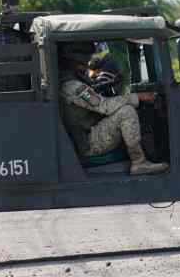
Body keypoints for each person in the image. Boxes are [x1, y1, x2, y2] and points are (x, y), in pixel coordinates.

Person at [57, 42, 168, 176]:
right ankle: (139, 162)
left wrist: (110, 83)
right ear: (76, 60)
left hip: (90, 130)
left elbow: (93, 95)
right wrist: (139, 97)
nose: (90, 61)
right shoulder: (72, 86)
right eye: (87, 58)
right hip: (89, 143)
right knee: (126, 112)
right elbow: (105, 106)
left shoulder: (73, 78)